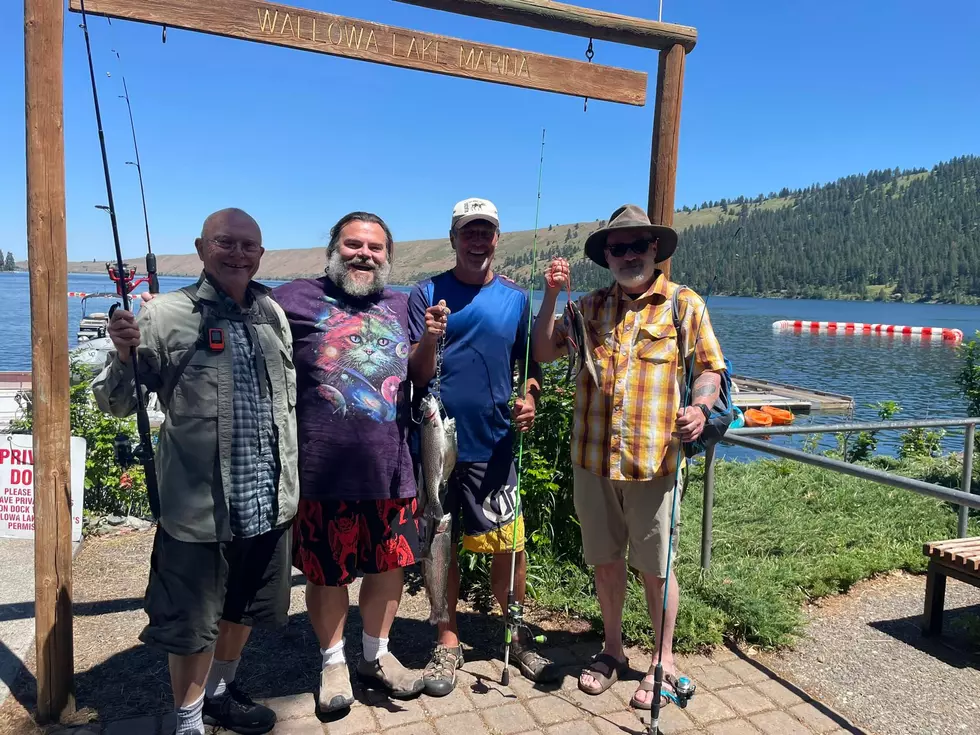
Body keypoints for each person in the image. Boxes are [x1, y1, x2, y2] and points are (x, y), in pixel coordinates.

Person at [92, 208, 299, 735]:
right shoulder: (164, 315)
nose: (237, 253)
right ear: (202, 247)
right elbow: (114, 403)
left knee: (241, 611)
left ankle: (220, 694)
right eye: (225, 242)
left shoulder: (272, 312)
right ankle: (187, 722)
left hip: (270, 500)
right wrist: (121, 352)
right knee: (191, 629)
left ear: (260, 254)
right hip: (199, 511)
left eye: (248, 245)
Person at [530, 204, 726, 711]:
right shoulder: (588, 306)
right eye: (618, 248)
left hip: (654, 462)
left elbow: (709, 370)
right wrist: (552, 293)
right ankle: (612, 651)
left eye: (638, 245)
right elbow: (547, 352)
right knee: (605, 560)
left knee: (656, 567)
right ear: (607, 257)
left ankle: (664, 661)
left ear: (655, 250)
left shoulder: (684, 306)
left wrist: (701, 408)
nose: (629, 255)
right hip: (592, 460)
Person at [271, 212, 424, 713]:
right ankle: (333, 661)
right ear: (334, 248)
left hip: (392, 468)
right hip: (320, 470)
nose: (365, 254)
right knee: (326, 573)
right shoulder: (291, 298)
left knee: (388, 570)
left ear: (388, 257)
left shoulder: (404, 304)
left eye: (376, 248)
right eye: (354, 244)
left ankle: (376, 655)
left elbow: (428, 369)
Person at [407, 197, 558, 696]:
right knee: (440, 543)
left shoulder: (515, 299)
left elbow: (531, 365)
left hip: (495, 446)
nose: (477, 241)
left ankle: (514, 638)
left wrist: (531, 397)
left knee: (509, 549)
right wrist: (430, 337)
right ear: (453, 239)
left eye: (486, 232)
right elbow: (416, 374)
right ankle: (447, 639)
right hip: (436, 445)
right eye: (468, 232)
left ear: (497, 239)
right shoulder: (426, 293)